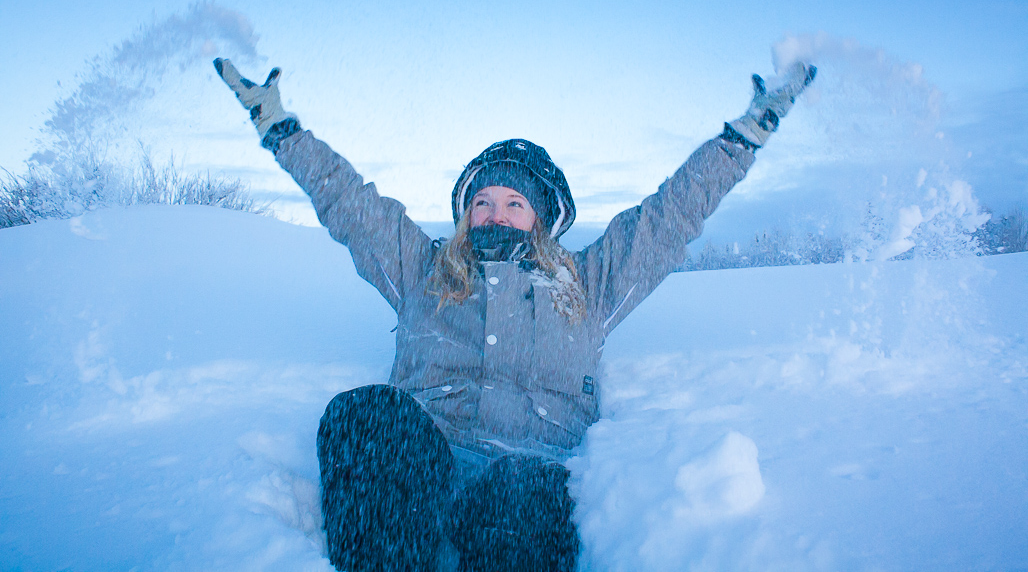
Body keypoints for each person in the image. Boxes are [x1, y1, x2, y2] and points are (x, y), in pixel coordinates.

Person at [214, 57, 816, 572]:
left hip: (528, 478)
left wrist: (742, 138)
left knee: (520, 490)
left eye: (512, 202)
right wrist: (280, 128)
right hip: (427, 469)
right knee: (364, 415)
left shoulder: (585, 285)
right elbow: (347, 203)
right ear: (465, 214)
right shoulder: (419, 269)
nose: (495, 214)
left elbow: (670, 218)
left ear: (540, 216)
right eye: (481, 202)